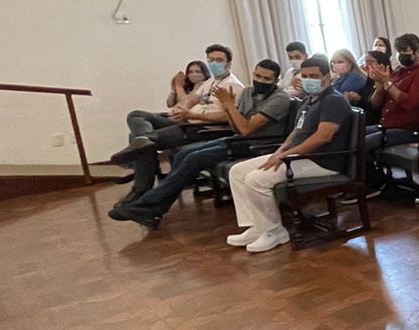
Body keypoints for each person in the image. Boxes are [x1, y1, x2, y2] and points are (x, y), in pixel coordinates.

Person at [108, 59, 294, 228]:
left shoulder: (279, 99)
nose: (260, 81)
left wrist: (229, 106)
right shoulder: (248, 92)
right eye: (258, 76)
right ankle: (154, 210)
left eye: (266, 79)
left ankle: (145, 205)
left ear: (276, 81)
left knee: (194, 158)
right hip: (237, 139)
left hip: (257, 145)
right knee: (183, 154)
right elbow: (237, 127)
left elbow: (247, 129)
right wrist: (229, 110)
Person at [224, 57, 353, 254]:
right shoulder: (309, 100)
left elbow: (322, 137)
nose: (309, 80)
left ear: (327, 77)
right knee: (238, 171)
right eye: (305, 76)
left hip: (321, 160)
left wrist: (287, 155)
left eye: (314, 76)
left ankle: (274, 231)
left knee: (256, 180)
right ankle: (257, 227)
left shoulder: (333, 100)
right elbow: (296, 132)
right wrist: (280, 151)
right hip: (298, 155)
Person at [117, 43, 244, 160]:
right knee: (136, 115)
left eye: (219, 60)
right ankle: (143, 139)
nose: (214, 63)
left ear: (228, 64)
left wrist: (191, 115)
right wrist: (181, 109)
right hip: (187, 119)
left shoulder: (233, 85)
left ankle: (143, 153)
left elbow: (227, 116)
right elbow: (192, 99)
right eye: (211, 60)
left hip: (202, 128)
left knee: (140, 140)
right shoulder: (211, 81)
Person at [363, 33, 419, 164]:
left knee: (361, 144)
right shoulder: (399, 72)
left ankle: (373, 176)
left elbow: (409, 103)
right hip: (386, 126)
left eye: (404, 51)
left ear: (417, 52)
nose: (401, 55)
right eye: (398, 51)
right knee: (351, 134)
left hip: (406, 130)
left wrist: (387, 83)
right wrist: (379, 86)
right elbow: (374, 104)